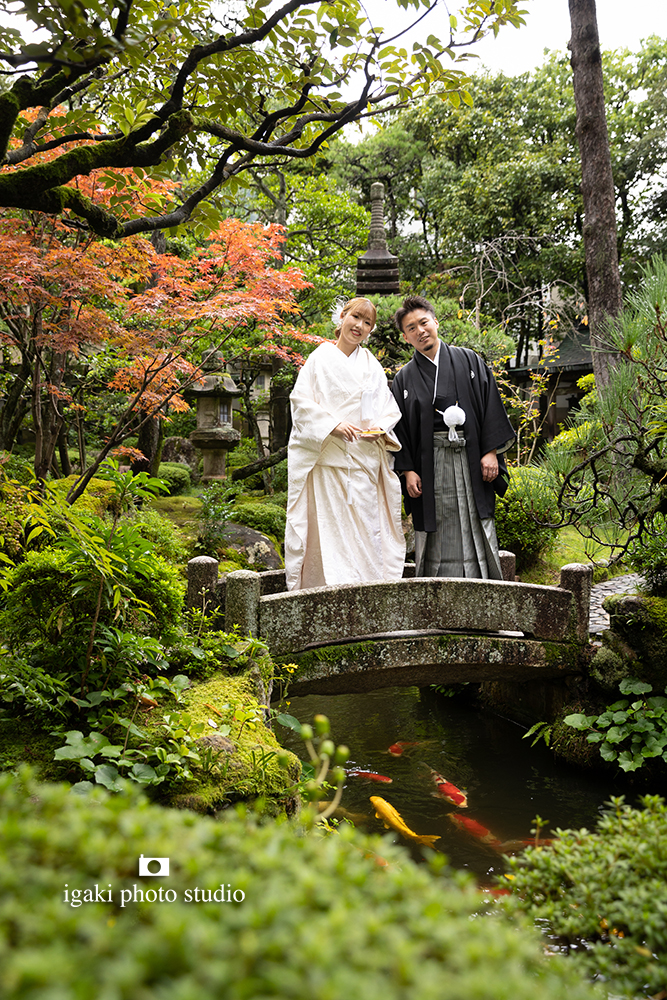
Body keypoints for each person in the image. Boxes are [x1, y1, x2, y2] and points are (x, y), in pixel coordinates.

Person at [285, 297, 406, 590]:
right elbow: (300, 403)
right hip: (328, 463)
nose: (360, 326)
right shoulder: (319, 358)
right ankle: (324, 596)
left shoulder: (371, 365)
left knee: (366, 532)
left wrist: (380, 427)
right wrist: (332, 425)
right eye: (356, 317)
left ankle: (368, 594)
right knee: (327, 533)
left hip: (363, 463)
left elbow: (388, 408)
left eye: (368, 323)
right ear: (342, 317)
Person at [391, 295, 515, 579]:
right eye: (411, 328)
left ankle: (483, 591)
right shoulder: (404, 378)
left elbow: (490, 405)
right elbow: (398, 428)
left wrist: (491, 451)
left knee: (475, 520)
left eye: (424, 323)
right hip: (428, 464)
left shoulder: (469, 360)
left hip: (472, 458)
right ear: (406, 337)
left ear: (435, 322)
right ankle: (434, 593)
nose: (420, 331)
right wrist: (407, 470)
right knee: (434, 527)